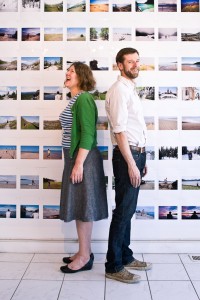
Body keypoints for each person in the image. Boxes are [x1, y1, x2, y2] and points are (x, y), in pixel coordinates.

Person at [105, 48, 152, 283]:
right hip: (126, 156)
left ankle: (125, 255)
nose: (135, 65)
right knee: (123, 211)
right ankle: (113, 266)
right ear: (119, 66)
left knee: (129, 210)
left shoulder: (130, 89)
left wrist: (142, 159)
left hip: (136, 155)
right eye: (130, 62)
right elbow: (120, 131)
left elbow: (135, 128)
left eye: (137, 61)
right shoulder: (118, 91)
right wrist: (132, 163)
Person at [59, 62, 108, 274]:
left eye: (72, 71)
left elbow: (88, 134)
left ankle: (85, 256)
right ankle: (83, 252)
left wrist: (78, 164)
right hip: (76, 158)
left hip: (83, 160)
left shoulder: (85, 98)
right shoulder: (75, 99)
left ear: (82, 76)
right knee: (81, 206)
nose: (68, 73)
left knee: (85, 208)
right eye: (67, 70)